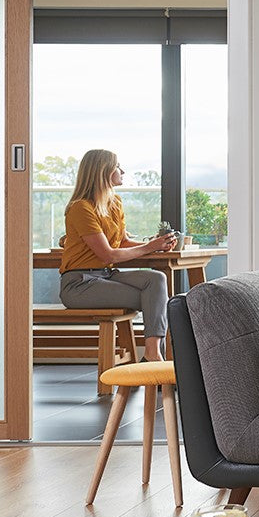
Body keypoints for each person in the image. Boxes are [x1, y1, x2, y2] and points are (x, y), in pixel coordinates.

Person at [59, 149, 177, 361]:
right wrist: (150, 246)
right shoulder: (80, 208)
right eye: (117, 166)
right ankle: (155, 357)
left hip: (106, 275)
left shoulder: (114, 203)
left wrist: (158, 246)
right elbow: (108, 255)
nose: (122, 170)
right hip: (79, 284)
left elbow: (121, 243)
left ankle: (152, 352)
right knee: (154, 299)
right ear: (102, 172)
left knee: (157, 279)